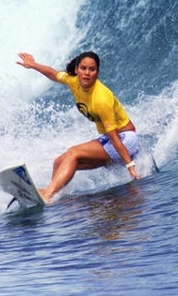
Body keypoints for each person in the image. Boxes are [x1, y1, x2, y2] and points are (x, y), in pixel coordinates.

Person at [16, 51, 140, 202]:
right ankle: (54, 198)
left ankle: (48, 193)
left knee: (73, 153)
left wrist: (130, 165)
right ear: (76, 69)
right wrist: (33, 65)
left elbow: (114, 137)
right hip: (110, 139)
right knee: (59, 162)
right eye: (83, 68)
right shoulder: (74, 82)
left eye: (92, 69)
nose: (87, 73)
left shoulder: (101, 99)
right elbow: (53, 74)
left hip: (125, 140)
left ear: (97, 73)